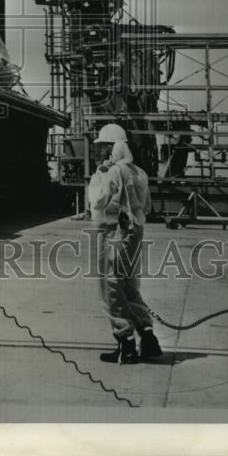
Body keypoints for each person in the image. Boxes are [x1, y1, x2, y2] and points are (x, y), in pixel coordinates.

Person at [87, 122, 163, 364]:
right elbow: (148, 207)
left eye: (104, 147)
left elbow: (98, 202)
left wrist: (99, 174)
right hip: (134, 232)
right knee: (128, 286)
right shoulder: (139, 172)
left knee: (110, 289)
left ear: (114, 148)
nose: (100, 152)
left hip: (114, 233)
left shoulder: (112, 171)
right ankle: (148, 337)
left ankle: (126, 343)